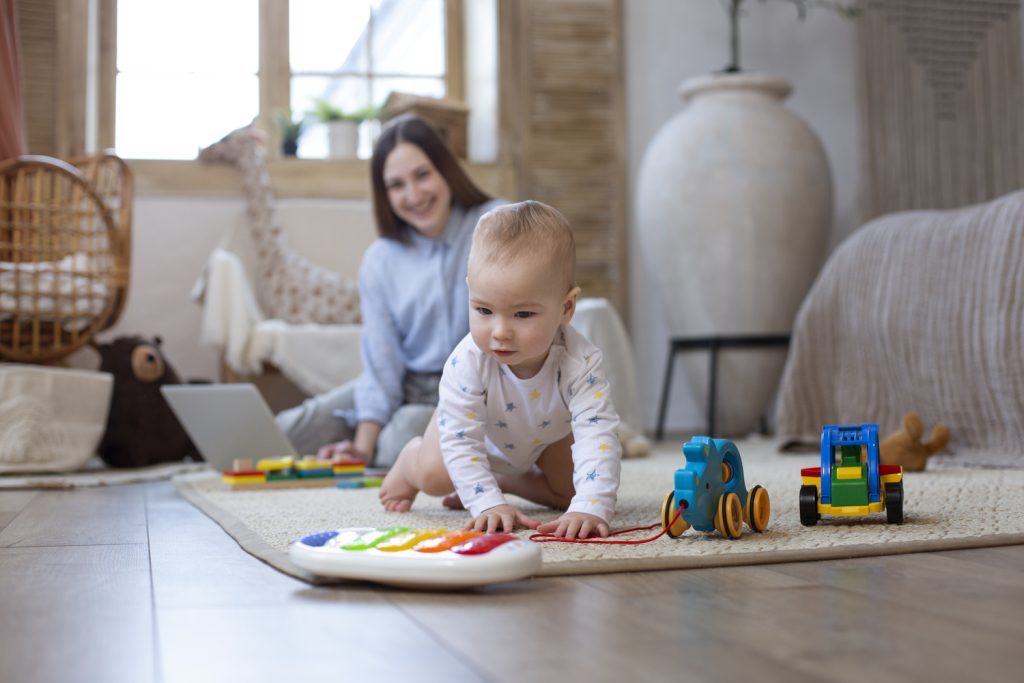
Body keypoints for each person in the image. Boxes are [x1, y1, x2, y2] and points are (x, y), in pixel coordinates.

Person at [378, 200, 623, 540]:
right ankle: (409, 462)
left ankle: (505, 480)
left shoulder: (580, 362)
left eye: (523, 315)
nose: (500, 331)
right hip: (470, 432)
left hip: (545, 435)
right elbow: (461, 442)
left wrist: (591, 506)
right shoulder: (468, 361)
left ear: (566, 307)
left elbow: (597, 436)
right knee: (435, 476)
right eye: (484, 310)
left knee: (572, 493)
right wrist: (486, 503)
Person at [276, 115, 505, 466]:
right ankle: (362, 445)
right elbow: (382, 364)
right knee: (288, 430)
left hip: (475, 387)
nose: (413, 195)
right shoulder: (381, 259)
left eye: (422, 175)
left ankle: (380, 447)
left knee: (400, 436)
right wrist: (364, 444)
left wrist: (373, 445)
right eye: (396, 185)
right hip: (408, 384)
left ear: (446, 169)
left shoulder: (495, 224)